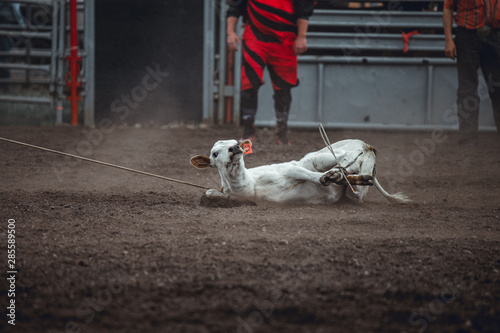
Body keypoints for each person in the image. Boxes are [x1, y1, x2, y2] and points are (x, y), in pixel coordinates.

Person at [227, 0, 314, 145]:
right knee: (248, 84)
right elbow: (234, 7)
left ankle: (281, 135)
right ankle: (248, 133)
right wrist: (230, 32)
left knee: (284, 87)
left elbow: (304, 8)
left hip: (285, 40)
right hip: (254, 38)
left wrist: (302, 36)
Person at [443, 0, 500, 146]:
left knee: (498, 88)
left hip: (496, 34)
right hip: (467, 36)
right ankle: (468, 138)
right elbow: (448, 8)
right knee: (467, 88)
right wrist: (449, 40)